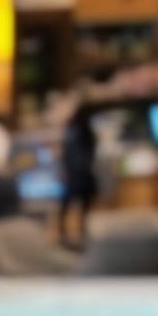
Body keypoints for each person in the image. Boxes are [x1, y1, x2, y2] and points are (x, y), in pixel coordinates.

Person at [59, 100, 99, 250]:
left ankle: (64, 236)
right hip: (85, 175)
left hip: (74, 175)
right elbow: (92, 155)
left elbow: (66, 155)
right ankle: (82, 234)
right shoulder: (88, 132)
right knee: (83, 209)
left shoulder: (72, 130)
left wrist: (65, 171)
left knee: (66, 207)